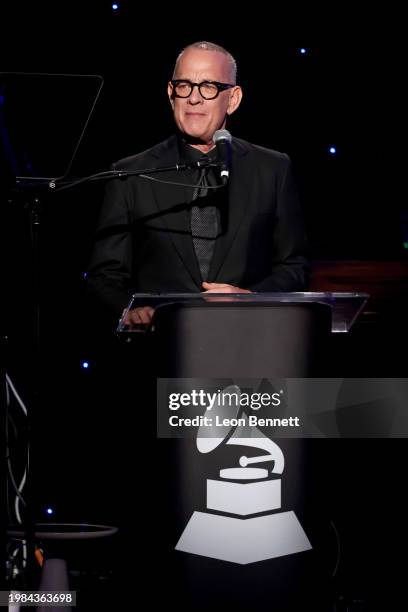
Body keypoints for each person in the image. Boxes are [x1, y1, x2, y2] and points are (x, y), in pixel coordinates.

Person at [87, 41, 309, 328]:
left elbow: (295, 266)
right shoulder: (130, 173)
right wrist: (129, 310)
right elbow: (104, 275)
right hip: (159, 351)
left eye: (208, 86)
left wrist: (250, 298)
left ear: (233, 99)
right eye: (184, 85)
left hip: (247, 344)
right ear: (171, 94)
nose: (194, 98)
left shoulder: (272, 168)